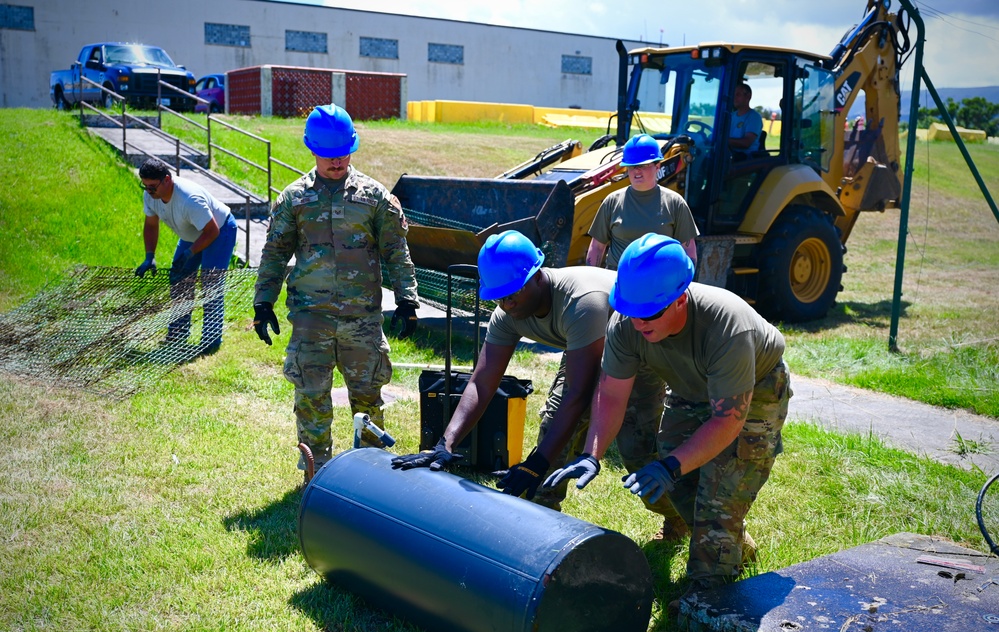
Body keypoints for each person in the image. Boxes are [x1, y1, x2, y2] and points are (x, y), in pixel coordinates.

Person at [544, 233, 792, 609]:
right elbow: (611, 394)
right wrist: (592, 453)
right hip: (693, 388)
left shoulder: (728, 326)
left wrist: (672, 466)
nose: (640, 323)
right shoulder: (627, 324)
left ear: (681, 299)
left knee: (721, 489)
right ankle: (730, 542)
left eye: (651, 313)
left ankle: (709, 589)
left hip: (756, 390)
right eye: (631, 310)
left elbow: (727, 420)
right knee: (677, 477)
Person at [389, 231, 687, 534]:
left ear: (538, 277)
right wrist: (445, 443)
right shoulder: (507, 312)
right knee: (552, 434)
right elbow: (482, 381)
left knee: (637, 451)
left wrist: (536, 462)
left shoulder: (581, 301)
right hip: (583, 346)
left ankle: (682, 517)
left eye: (512, 294)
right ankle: (538, 526)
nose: (506, 304)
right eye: (499, 297)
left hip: (636, 349)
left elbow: (579, 393)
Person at [252, 103, 420, 477]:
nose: (337, 162)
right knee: (311, 400)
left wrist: (407, 299)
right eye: (329, 155)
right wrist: (263, 302)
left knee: (368, 400)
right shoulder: (294, 200)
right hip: (311, 321)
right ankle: (317, 477)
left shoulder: (375, 198)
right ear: (312, 149)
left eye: (343, 153)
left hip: (362, 320)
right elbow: (275, 254)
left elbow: (396, 251)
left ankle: (373, 477)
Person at [135, 157, 238, 355]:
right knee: (179, 280)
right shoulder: (151, 196)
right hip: (193, 233)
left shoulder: (189, 199)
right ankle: (178, 334)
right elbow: (150, 225)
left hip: (219, 230)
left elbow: (211, 232)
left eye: (152, 186)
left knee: (210, 284)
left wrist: (191, 253)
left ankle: (211, 341)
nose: (149, 191)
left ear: (167, 180)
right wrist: (149, 256)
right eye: (145, 186)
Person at [586, 133, 698, 270]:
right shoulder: (612, 202)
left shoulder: (675, 203)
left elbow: (688, 249)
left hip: (659, 283)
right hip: (619, 282)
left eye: (643, 165)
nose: (637, 170)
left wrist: (684, 283)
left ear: (657, 166)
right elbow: (597, 246)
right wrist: (594, 278)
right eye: (632, 166)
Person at [728, 83, 764, 156]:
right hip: (730, 154)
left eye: (738, 95)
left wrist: (723, 140)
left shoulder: (754, 117)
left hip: (745, 158)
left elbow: (746, 143)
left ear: (748, 96)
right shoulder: (731, 116)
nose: (734, 98)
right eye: (734, 95)